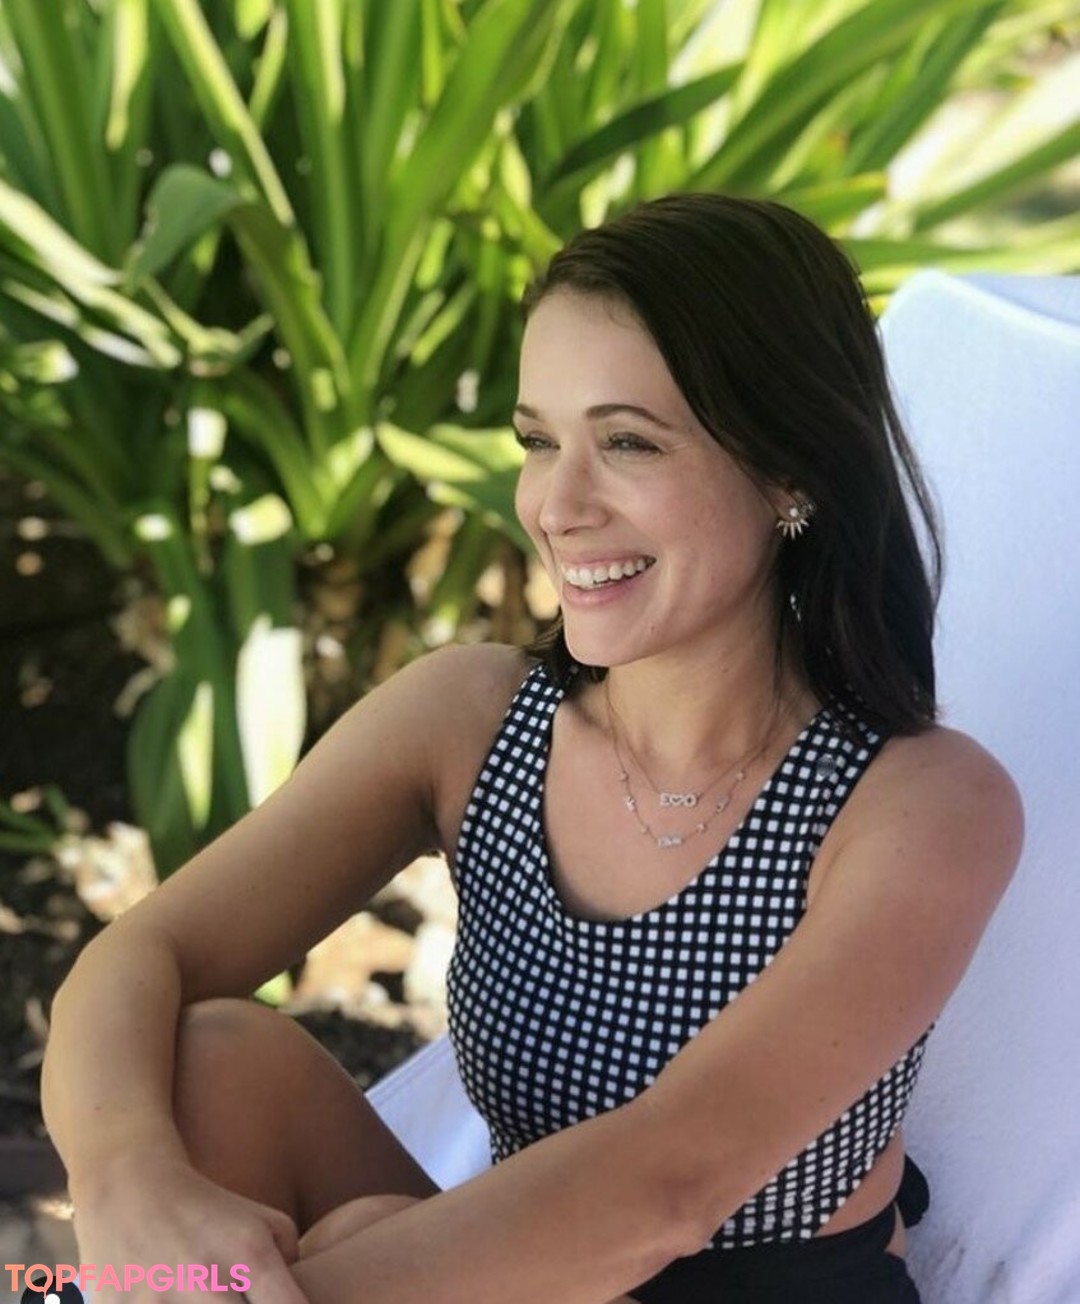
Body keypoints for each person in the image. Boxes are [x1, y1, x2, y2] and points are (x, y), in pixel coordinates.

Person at [42, 194, 1022, 1304]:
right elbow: (141, 955)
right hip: (505, 1275)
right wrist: (126, 1185)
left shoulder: (920, 803)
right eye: (539, 441)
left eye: (627, 442)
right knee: (208, 1064)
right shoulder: (471, 721)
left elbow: (666, 1185)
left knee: (354, 1228)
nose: (556, 505)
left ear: (789, 471)